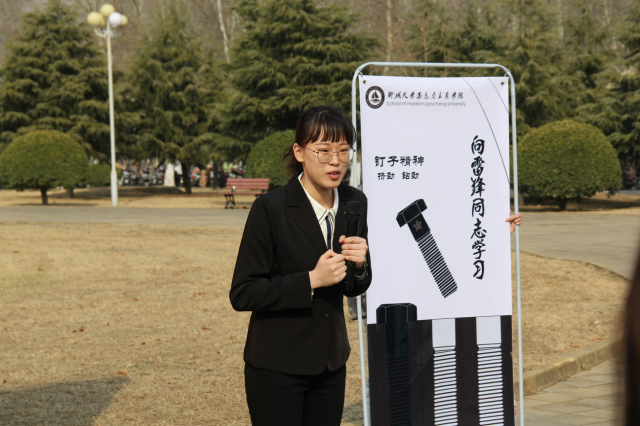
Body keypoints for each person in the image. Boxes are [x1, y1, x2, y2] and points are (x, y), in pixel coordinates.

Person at [230, 105, 371, 426]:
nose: (335, 161)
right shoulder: (270, 208)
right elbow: (243, 292)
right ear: (299, 152)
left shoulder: (355, 202)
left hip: (331, 365)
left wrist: (361, 265)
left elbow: (353, 285)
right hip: (277, 367)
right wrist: (310, 280)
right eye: (324, 151)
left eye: (344, 151)